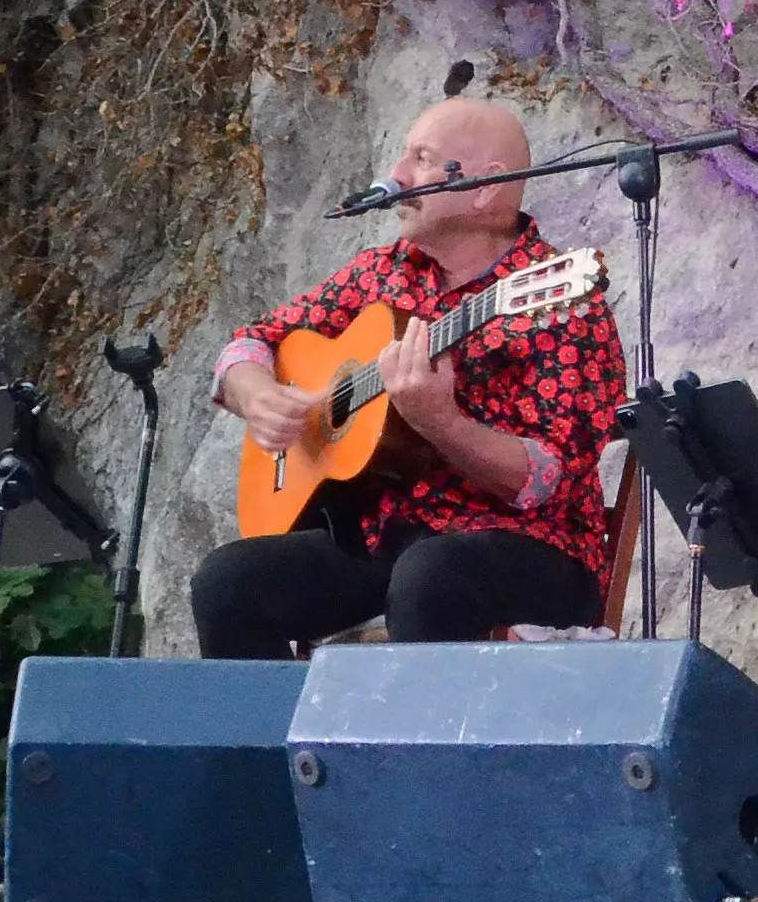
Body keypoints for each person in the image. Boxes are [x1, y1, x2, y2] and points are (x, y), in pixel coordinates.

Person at [188, 97, 629, 651]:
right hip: (384, 531)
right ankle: (274, 741)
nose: (395, 176)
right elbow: (252, 341)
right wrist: (257, 397)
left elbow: (546, 482)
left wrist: (440, 423)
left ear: (484, 188)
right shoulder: (383, 270)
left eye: (421, 158)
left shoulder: (562, 306)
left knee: (430, 575)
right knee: (230, 584)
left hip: (531, 546)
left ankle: (413, 742)